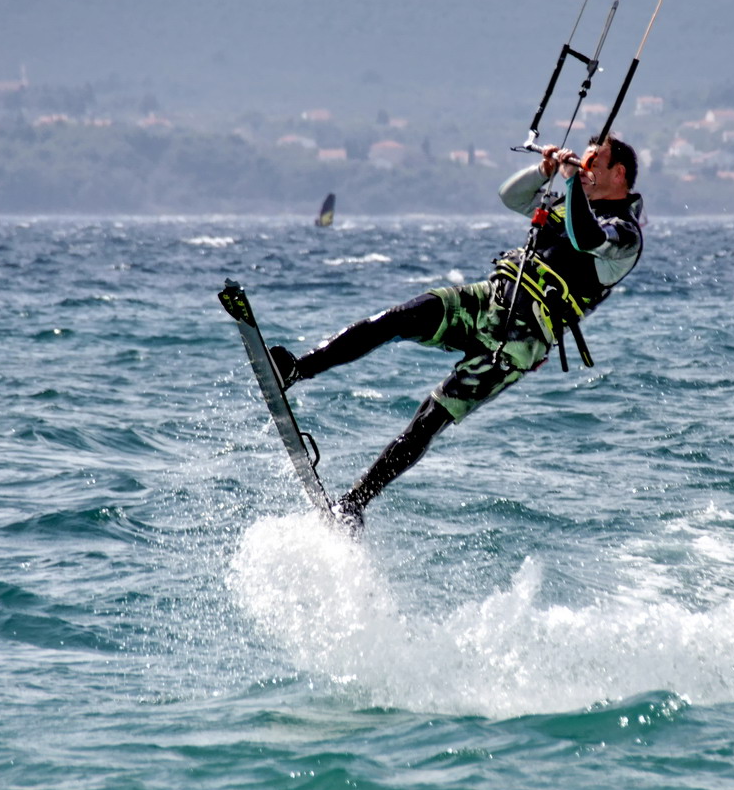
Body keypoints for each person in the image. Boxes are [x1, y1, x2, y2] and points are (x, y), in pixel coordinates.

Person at [268, 133, 644, 532]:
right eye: (581, 162)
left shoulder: (625, 234)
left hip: (517, 342)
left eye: (592, 163)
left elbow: (587, 237)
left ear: (618, 173)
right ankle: (297, 370)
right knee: (396, 319)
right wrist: (544, 170)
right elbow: (511, 197)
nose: (582, 168)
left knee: (430, 418)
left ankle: (354, 502)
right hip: (488, 300)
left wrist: (570, 181)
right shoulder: (568, 203)